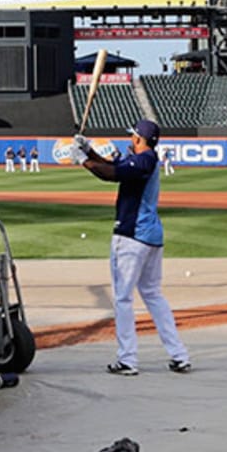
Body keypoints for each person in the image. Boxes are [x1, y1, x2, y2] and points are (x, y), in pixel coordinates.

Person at [74, 118, 191, 377]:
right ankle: (179, 355)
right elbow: (112, 165)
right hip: (151, 237)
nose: (130, 139)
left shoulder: (144, 160)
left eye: (133, 136)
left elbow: (110, 174)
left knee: (123, 298)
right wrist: (88, 150)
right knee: (153, 295)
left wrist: (81, 161)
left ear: (139, 139)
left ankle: (127, 359)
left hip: (131, 236)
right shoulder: (142, 160)